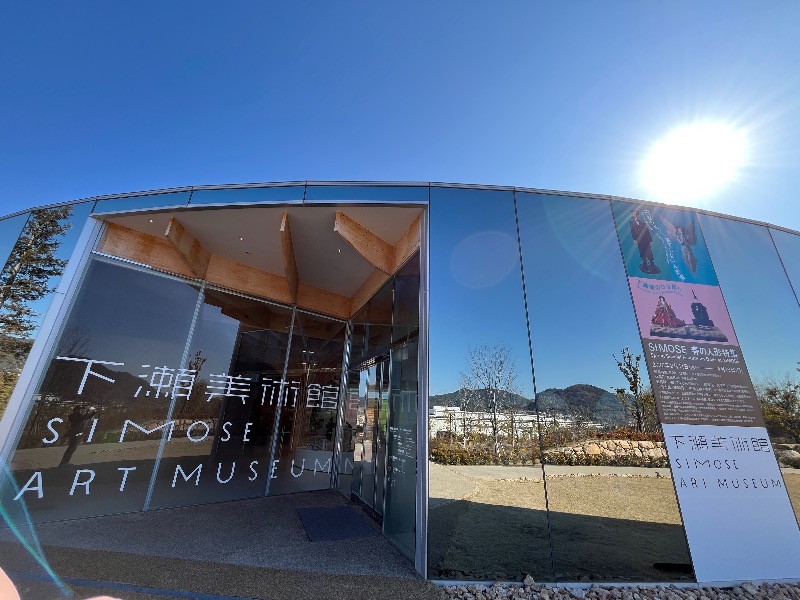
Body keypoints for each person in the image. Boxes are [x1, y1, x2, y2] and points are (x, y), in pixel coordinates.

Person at [630, 209, 661, 274]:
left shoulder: (643, 223)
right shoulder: (632, 223)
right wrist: (634, 239)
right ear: (632, 214)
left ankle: (652, 266)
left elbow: (647, 232)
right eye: (634, 213)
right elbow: (632, 232)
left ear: (638, 215)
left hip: (646, 240)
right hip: (639, 241)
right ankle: (645, 266)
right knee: (642, 253)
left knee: (649, 252)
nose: (635, 215)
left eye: (636, 213)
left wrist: (650, 240)